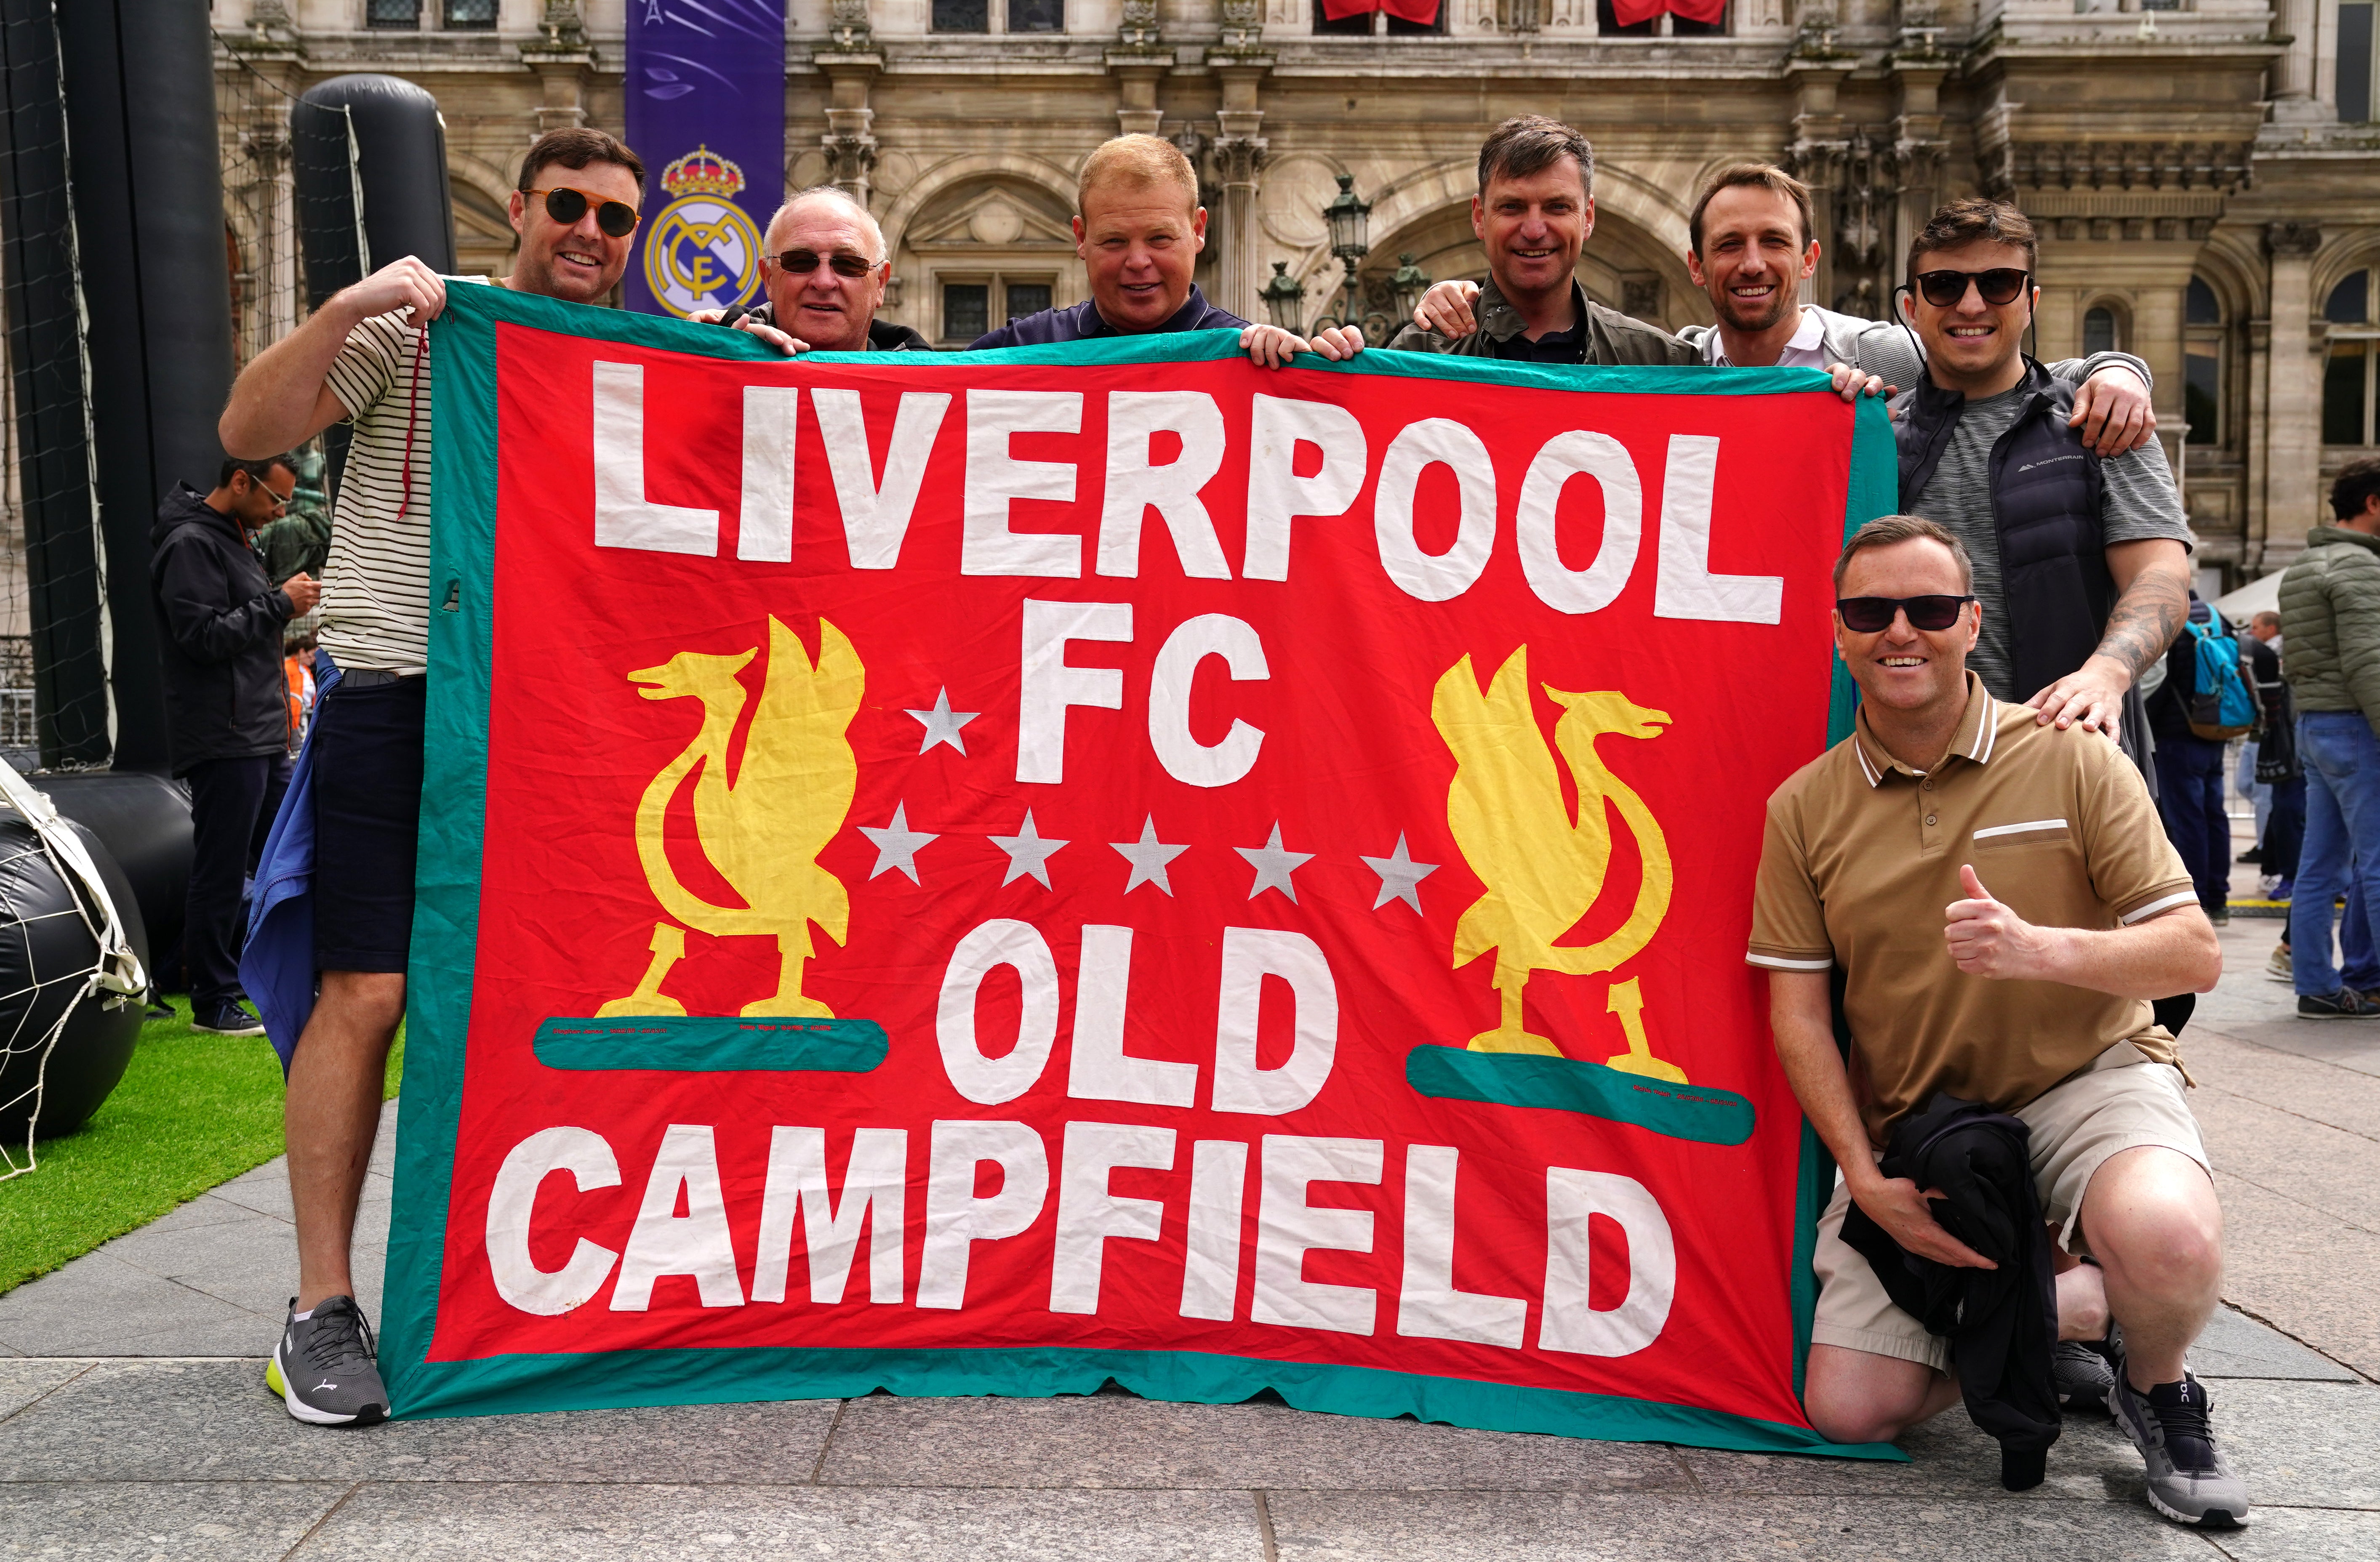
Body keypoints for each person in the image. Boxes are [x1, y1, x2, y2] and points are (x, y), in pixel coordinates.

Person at [218, 125, 648, 1427]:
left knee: (567, 991)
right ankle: (319, 1304)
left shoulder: (637, 361)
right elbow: (249, 423)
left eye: (613, 217)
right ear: (519, 206)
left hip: (560, 716)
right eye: (567, 203)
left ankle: (522, 1271)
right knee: (371, 983)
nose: (588, 229)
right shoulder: (421, 332)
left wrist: (766, 373)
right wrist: (351, 300)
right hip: (405, 693)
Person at [1753, 514, 2238, 1526]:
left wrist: (2043, 951)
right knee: (1847, 1409)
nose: (1900, 631)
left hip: (2085, 1078)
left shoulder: (2072, 755)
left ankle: (2158, 1388)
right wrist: (1861, 1173)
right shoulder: (1801, 805)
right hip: (1918, 1124)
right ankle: (2065, 1304)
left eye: (1929, 609)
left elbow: (2192, 951)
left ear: (1970, 623)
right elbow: (1795, 1006)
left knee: (2169, 1237)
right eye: (1869, 611)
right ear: (1834, 632)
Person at [1408, 160, 2162, 458]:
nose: (1752, 264)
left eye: (1773, 242)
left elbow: (1998, 364)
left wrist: (2117, 369)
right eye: (1729, 245)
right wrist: (1438, 313)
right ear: (1696, 268)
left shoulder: (1876, 355)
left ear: (1808, 260)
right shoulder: (1674, 365)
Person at [1891, 198, 2193, 771]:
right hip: (1911, 771)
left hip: (2070, 759)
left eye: (1999, 282)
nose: (1972, 304)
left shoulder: (2103, 419)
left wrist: (2106, 672)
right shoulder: (1875, 437)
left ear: (2030, 302)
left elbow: (2161, 572)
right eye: (1945, 285)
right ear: (1911, 307)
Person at [148, 455, 320, 1035]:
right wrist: (279, 603)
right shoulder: (192, 543)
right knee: (223, 869)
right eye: (275, 498)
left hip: (260, 732)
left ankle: (291, 973)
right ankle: (213, 997)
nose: (281, 512)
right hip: (225, 736)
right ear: (240, 482)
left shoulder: (232, 538)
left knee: (289, 855)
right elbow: (199, 637)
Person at [966, 134, 1351, 367]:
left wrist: (1322, 375)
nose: (1137, 262)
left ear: (1198, 231)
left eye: (1159, 239)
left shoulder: (1255, 358)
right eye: (1114, 240)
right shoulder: (1023, 348)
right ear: (1081, 238)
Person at [1390, 116, 1698, 366]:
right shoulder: (1416, 356)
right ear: (1479, 217)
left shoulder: (1662, 362)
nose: (1535, 230)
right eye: (1512, 207)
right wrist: (1341, 370)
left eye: (1557, 207)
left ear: (1587, 217)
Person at [2280, 457, 2380, 1018]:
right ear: (2372, 502)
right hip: (2358, 724)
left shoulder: (2303, 566)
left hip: (2315, 725)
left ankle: (2316, 982)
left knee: (2318, 865)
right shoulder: (2361, 568)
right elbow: (2370, 660)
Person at [696, 184, 931, 354]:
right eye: (799, 261)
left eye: (849, 264)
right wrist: (695, 360)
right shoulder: (718, 356)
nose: (824, 282)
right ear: (768, 278)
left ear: (880, 284)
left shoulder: (934, 390)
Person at [2146, 594, 2237, 924]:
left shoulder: (2168, 620)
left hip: (2177, 734)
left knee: (2187, 821)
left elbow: (2157, 680)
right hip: (2215, 729)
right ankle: (2219, 898)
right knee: (2215, 815)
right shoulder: (2216, 617)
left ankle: (2196, 904)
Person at [2242, 609, 2301, 905]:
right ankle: (2284, 871)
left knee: (2285, 809)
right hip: (2290, 740)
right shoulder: (2282, 652)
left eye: (2256, 627)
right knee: (2287, 809)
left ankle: (2283, 872)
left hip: (2285, 741)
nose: (2252, 632)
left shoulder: (2276, 650)